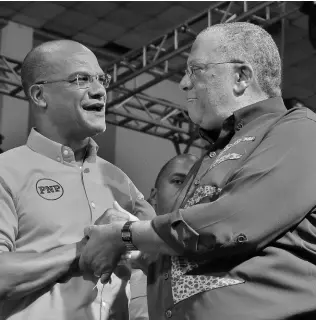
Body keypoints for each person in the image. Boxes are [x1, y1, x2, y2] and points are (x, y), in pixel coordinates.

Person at [80, 21, 316, 320]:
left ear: (241, 76)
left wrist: (126, 235)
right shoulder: (212, 156)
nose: (183, 83)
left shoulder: (299, 130)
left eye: (195, 70)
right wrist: (144, 252)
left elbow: (231, 222)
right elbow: (195, 247)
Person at [0, 39, 155, 320]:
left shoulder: (120, 181)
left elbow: (153, 267)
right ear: (39, 95)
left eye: (101, 79)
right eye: (81, 79)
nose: (99, 91)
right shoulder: (6, 172)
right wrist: (84, 250)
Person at [129, 153, 198, 320]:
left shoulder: (223, 265)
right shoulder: (124, 264)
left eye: (198, 185)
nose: (189, 192)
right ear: (153, 196)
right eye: (179, 181)